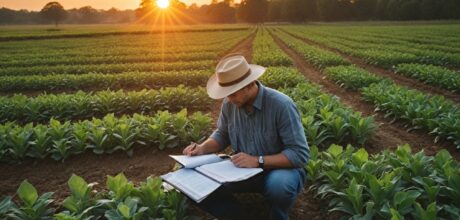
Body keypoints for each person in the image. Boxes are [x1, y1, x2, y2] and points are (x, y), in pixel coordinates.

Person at [183, 54, 309, 220]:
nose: (228, 98)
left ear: (249, 84)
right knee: (190, 182)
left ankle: (277, 215)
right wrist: (202, 148)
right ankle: (237, 215)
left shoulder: (281, 105)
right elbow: (222, 134)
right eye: (226, 94)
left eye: (233, 94)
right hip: (242, 170)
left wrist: (258, 160)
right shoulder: (230, 104)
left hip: (279, 170)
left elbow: (299, 154)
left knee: (280, 187)